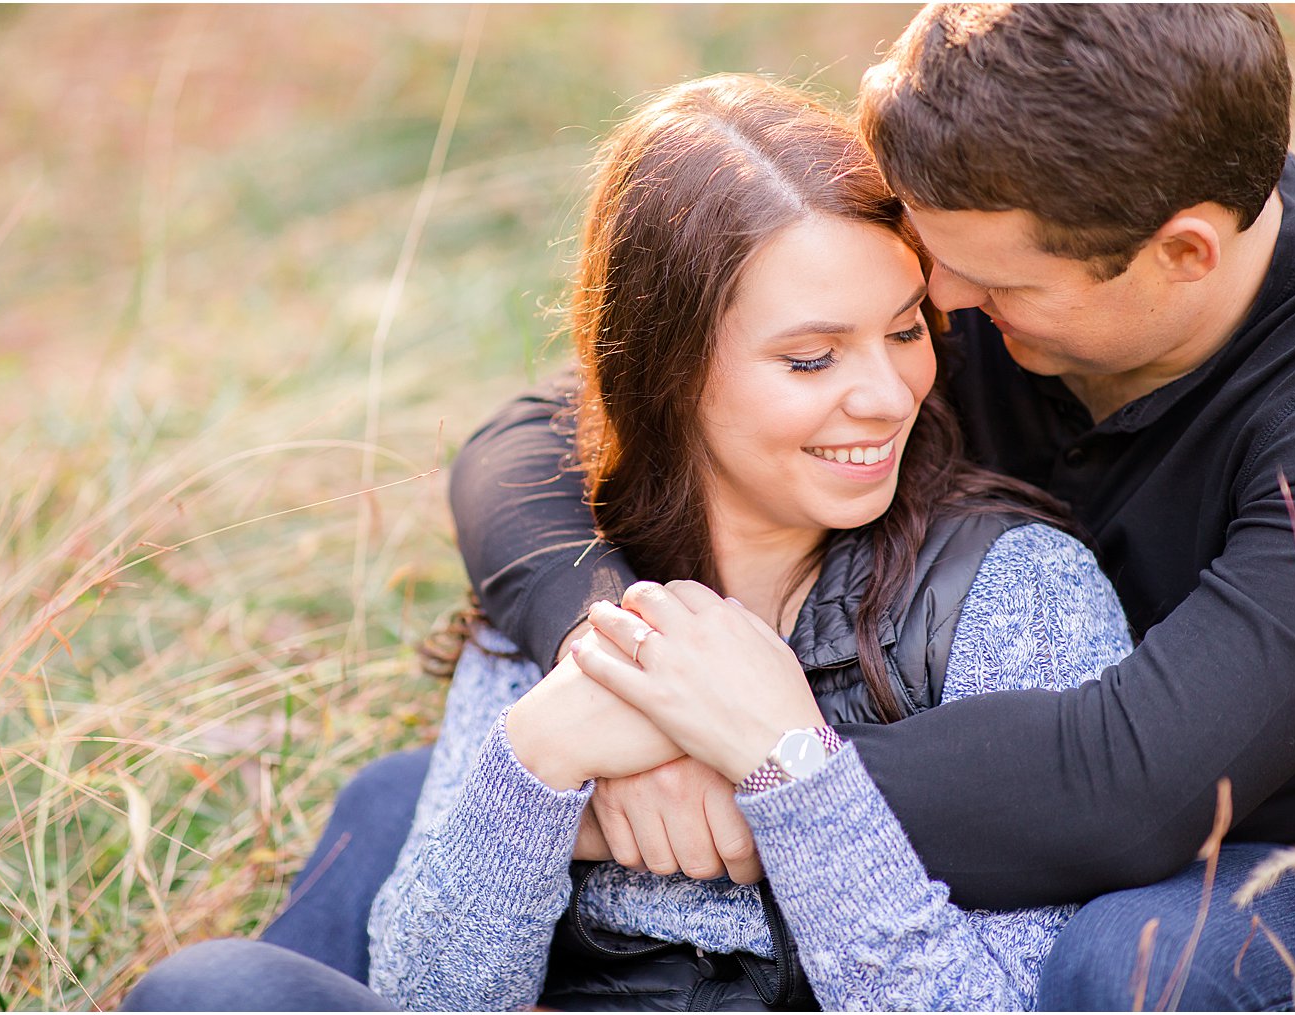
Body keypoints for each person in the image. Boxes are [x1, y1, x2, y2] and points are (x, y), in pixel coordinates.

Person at [444, 5, 1295, 1012]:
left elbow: (1127, 791)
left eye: (993, 283)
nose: (937, 297)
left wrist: (747, 776)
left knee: (1133, 960)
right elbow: (526, 442)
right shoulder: (1004, 203)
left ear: (1181, 254)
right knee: (404, 807)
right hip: (974, 788)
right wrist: (630, 666)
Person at [123, 73, 1135, 1011]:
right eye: (811, 356)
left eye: (906, 331)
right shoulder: (569, 573)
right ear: (666, 368)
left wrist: (788, 771)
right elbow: (427, 996)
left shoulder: (1017, 592)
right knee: (214, 988)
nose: (883, 395)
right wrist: (539, 757)